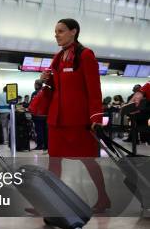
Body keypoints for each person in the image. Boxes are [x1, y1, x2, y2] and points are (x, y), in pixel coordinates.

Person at [41, 18, 110, 213]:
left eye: (61, 31)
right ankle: (49, 201)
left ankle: (103, 197)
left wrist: (96, 117)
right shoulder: (58, 57)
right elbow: (57, 86)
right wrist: (46, 79)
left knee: (88, 159)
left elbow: (94, 90)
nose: (56, 35)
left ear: (74, 31)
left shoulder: (85, 55)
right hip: (57, 119)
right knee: (54, 160)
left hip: (78, 120)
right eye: (55, 31)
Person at [30, 79, 47, 151]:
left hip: (37, 115)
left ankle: (40, 145)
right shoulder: (46, 92)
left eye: (34, 84)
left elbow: (33, 103)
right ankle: (46, 145)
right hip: (46, 115)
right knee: (45, 131)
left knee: (39, 130)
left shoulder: (35, 93)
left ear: (37, 85)